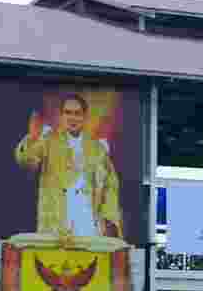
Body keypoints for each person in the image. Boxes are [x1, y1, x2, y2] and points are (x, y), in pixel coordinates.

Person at [14, 93, 125, 245]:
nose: (72, 118)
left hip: (88, 220)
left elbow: (110, 186)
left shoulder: (98, 148)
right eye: (68, 113)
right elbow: (26, 161)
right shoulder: (48, 140)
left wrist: (109, 218)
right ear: (61, 116)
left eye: (77, 113)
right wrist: (32, 138)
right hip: (56, 220)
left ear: (84, 117)